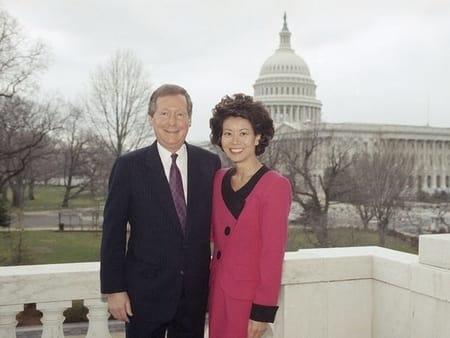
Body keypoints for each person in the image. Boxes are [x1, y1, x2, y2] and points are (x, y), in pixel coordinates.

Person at [100, 84, 221, 338]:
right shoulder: (128, 167)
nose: (172, 122)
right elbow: (113, 232)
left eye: (180, 114)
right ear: (151, 119)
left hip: (193, 295)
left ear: (189, 119)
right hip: (143, 294)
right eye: (164, 114)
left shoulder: (209, 164)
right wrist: (114, 290)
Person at [208, 94, 292, 338]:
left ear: (257, 137)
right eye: (228, 133)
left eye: (243, 133)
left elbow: (272, 254)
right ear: (220, 137)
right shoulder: (217, 179)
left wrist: (262, 311)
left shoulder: (275, 186)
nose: (235, 141)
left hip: (248, 302)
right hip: (217, 296)